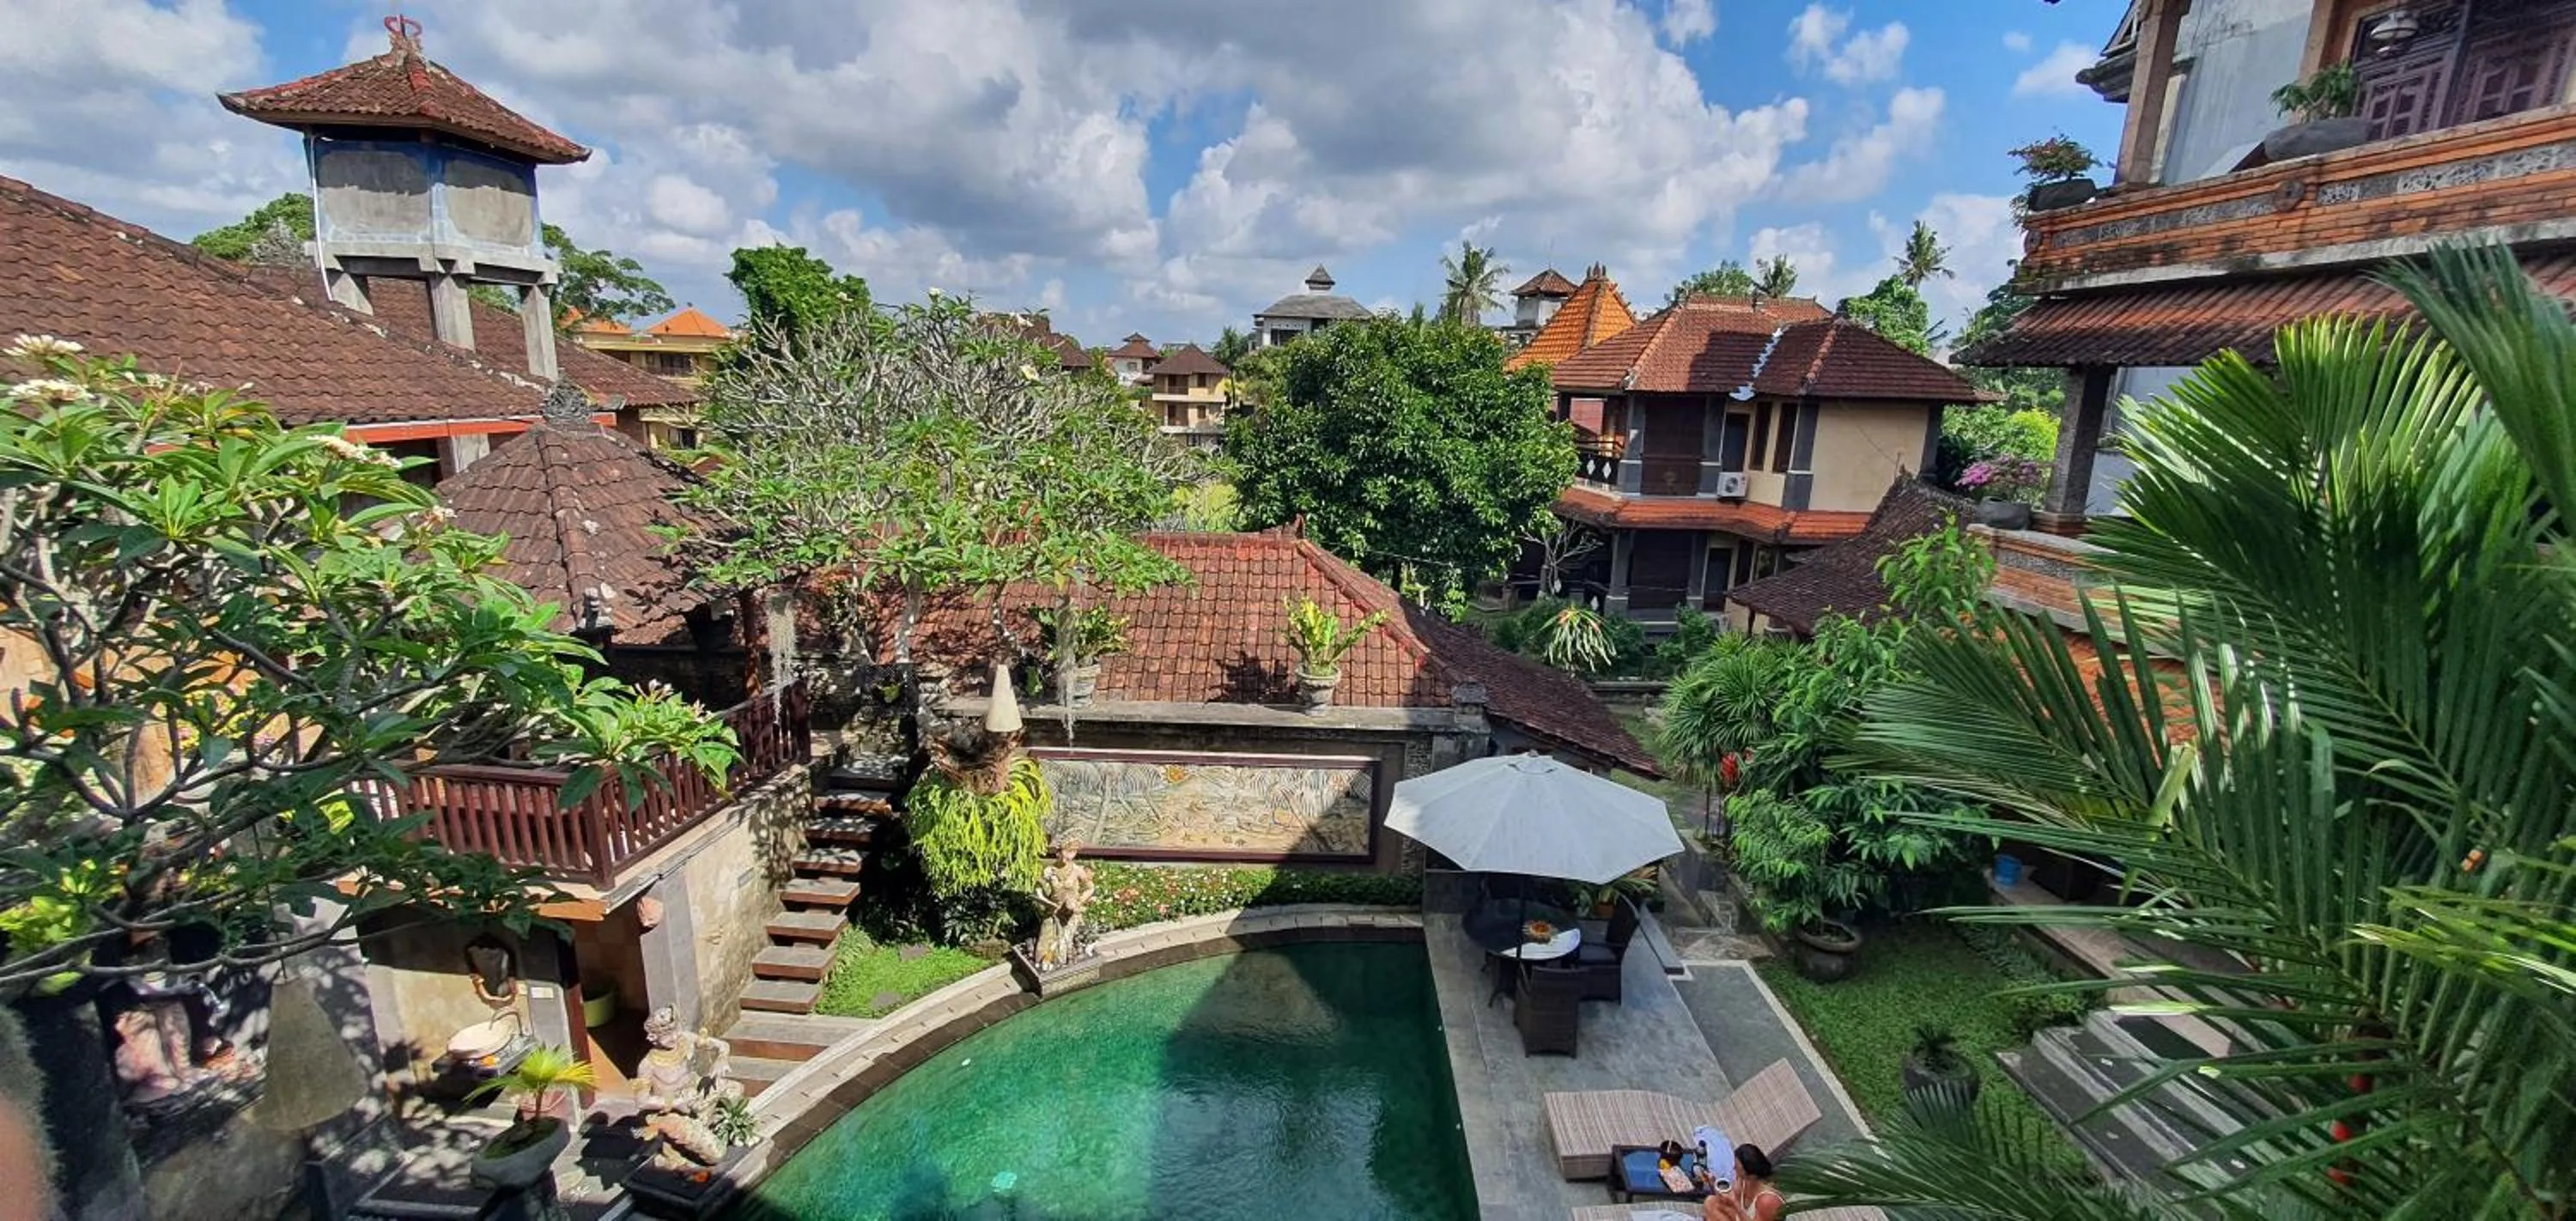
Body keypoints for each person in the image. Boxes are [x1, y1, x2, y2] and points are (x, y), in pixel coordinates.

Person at [1699, 1143, 1783, 1221]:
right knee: (1711, 1202)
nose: (1734, 1168)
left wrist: (1736, 1204)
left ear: (1749, 1173)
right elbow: (1725, 1202)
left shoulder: (1767, 1200)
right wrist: (1713, 1183)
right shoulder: (1743, 1182)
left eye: (1737, 1166)